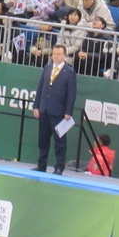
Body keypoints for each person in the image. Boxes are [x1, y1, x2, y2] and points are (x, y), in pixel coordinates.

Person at [33, 43, 78, 174]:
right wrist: (36, 106)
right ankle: (41, 164)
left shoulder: (69, 72)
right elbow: (40, 88)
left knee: (60, 141)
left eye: (59, 54)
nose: (56, 56)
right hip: (44, 109)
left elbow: (71, 93)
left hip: (59, 112)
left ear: (64, 56)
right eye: (54, 54)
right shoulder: (47, 68)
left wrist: (68, 111)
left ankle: (59, 166)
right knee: (43, 139)